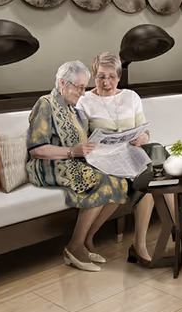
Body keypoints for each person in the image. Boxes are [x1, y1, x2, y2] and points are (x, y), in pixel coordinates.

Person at [77, 52, 182, 266]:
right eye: (101, 76)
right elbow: (79, 138)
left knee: (155, 157)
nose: (107, 82)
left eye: (112, 77)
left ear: (119, 76)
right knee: (153, 176)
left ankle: (146, 242)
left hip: (129, 153)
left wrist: (143, 138)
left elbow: (144, 130)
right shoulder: (84, 101)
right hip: (101, 158)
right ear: (94, 75)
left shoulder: (131, 97)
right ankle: (179, 224)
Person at [26, 61, 129, 271]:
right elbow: (36, 149)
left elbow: (82, 144)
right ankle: (74, 247)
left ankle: (87, 240)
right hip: (46, 165)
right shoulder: (45, 104)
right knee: (97, 180)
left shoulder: (74, 110)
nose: (83, 93)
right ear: (62, 83)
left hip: (74, 161)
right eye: (79, 87)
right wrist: (73, 152)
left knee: (120, 182)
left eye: (84, 88)